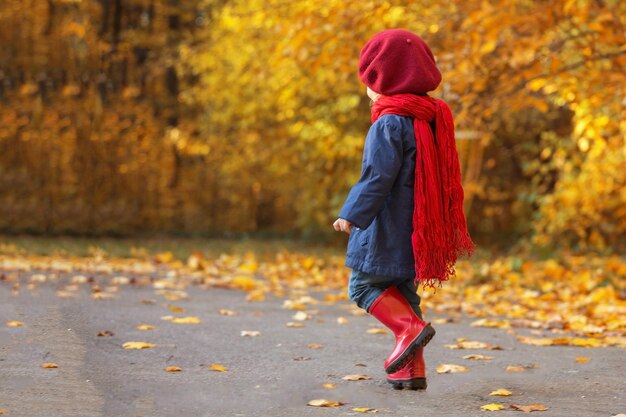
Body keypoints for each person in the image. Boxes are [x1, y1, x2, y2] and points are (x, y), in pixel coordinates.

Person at [333, 29, 475, 390]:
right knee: (406, 294)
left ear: (383, 79)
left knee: (363, 286)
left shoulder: (389, 122)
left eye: (369, 78)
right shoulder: (431, 117)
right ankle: (409, 372)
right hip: (420, 227)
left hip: (386, 225)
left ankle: (408, 330)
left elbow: (377, 176)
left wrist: (352, 213)